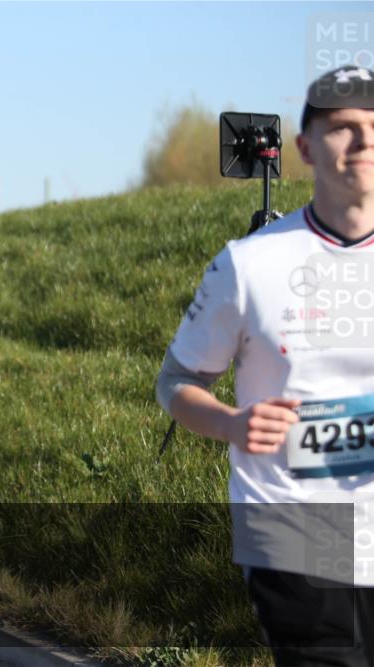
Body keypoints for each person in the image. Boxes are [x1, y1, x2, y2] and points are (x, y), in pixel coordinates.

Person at [157, 66, 374, 666]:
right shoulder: (249, 264)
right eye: (344, 128)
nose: (363, 141)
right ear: (304, 147)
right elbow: (176, 381)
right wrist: (231, 423)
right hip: (292, 527)